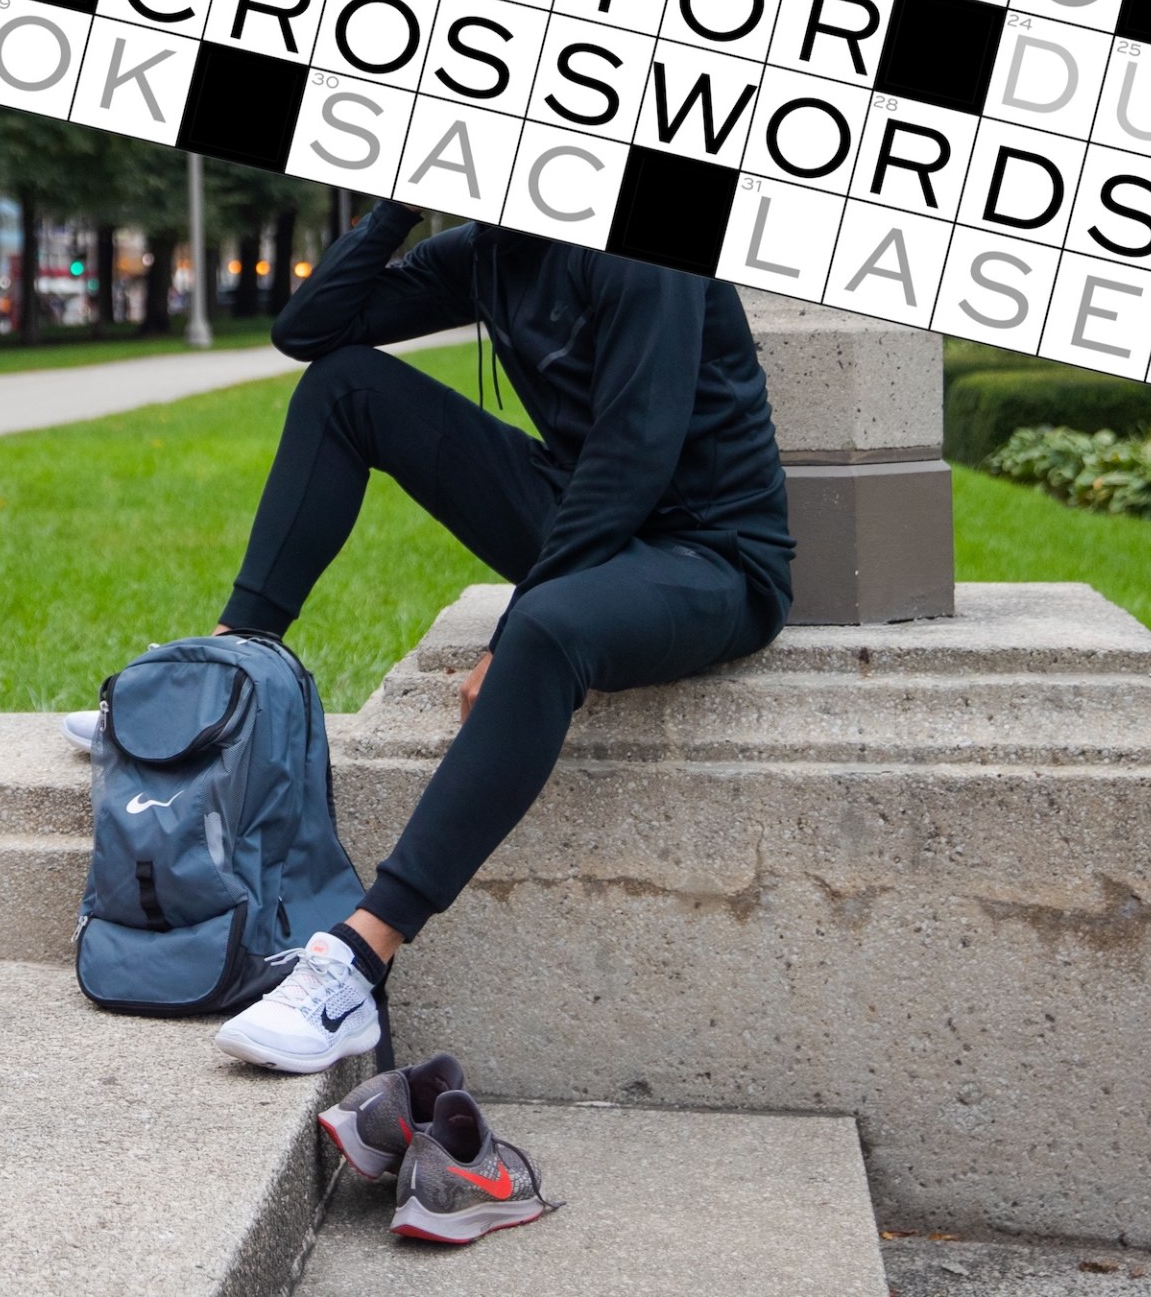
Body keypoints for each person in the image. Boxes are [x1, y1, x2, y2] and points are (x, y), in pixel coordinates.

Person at [198, 199, 794, 1078]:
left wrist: (521, 617)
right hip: (589, 516)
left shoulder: (642, 249)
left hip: (710, 554)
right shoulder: (485, 251)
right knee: (345, 385)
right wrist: (393, 211)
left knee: (548, 628)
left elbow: (635, 453)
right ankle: (224, 676)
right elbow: (308, 329)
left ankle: (356, 961)